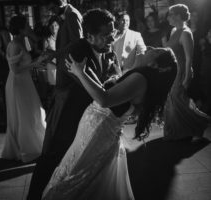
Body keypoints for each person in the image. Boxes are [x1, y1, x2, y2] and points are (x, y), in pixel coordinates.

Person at [42, 45, 177, 199]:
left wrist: (80, 73)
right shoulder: (140, 76)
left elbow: (104, 99)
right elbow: (109, 93)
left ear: (155, 64)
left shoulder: (140, 79)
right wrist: (85, 72)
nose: (151, 47)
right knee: (76, 171)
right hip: (95, 126)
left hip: (98, 130)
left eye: (157, 51)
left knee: (75, 176)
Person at [27, 8, 118, 200]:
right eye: (107, 35)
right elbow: (100, 90)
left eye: (113, 33)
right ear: (90, 37)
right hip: (66, 115)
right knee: (51, 160)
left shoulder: (104, 49)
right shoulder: (76, 53)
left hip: (85, 115)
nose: (112, 39)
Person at [1, 15, 47, 163]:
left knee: (31, 112)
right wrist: (35, 63)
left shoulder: (22, 41)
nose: (29, 27)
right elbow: (15, 69)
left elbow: (23, 64)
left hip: (24, 81)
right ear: (20, 28)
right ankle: (26, 149)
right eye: (27, 25)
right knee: (25, 114)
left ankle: (32, 145)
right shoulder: (14, 44)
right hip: (17, 83)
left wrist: (37, 63)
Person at [163, 4, 209, 142]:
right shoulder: (173, 31)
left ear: (178, 16)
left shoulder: (185, 32)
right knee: (173, 101)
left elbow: (189, 58)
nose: (168, 17)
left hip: (181, 71)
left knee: (180, 100)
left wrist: (187, 76)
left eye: (170, 14)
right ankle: (178, 131)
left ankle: (200, 124)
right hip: (172, 71)